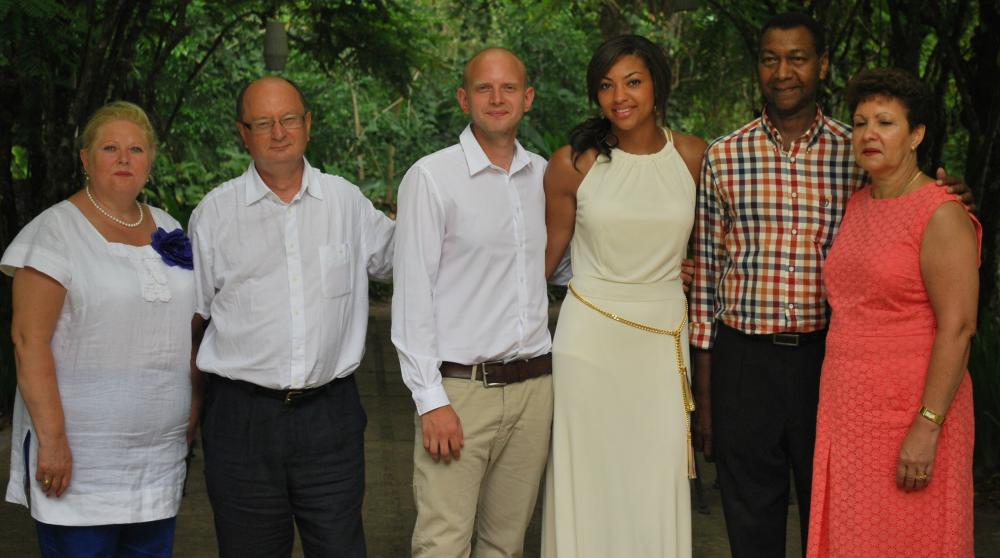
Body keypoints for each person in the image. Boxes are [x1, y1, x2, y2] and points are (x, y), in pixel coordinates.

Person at [690, 12, 973, 557]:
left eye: (797, 58)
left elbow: (913, 209)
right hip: (745, 361)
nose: (783, 71)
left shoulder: (858, 151)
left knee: (839, 514)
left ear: (821, 66)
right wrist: (706, 395)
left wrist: (952, 194)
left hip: (827, 361)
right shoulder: (724, 155)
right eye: (770, 59)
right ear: (759, 68)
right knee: (749, 516)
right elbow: (706, 278)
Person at [189, 76, 394, 558]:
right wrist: (189, 418)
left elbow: (403, 256)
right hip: (240, 421)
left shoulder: (344, 202)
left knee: (342, 549)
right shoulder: (214, 215)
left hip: (330, 419)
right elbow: (193, 322)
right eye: (263, 122)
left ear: (308, 124)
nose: (278, 132)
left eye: (288, 119)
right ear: (243, 133)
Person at [2, 101, 195, 557]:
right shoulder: (54, 232)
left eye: (136, 148)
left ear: (151, 159)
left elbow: (187, 329)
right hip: (81, 459)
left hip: (156, 460)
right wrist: (52, 442)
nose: (124, 159)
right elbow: (28, 342)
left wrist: (194, 409)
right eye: (110, 148)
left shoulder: (168, 226)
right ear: (85, 159)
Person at [542, 35, 707, 557]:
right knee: (588, 476)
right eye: (607, 85)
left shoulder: (694, 156)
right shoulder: (574, 163)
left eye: (633, 81)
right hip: (589, 338)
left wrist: (701, 269)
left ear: (658, 86)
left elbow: (720, 245)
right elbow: (545, 259)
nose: (620, 96)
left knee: (655, 476)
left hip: (661, 340)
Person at [806, 67, 979, 557]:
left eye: (885, 122)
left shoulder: (941, 213)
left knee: (913, 537)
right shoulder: (859, 203)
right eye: (860, 123)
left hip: (913, 410)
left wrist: (927, 426)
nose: (869, 135)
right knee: (856, 538)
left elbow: (959, 327)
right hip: (849, 411)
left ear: (917, 134)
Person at [392, 47, 554, 558]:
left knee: (506, 545)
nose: (497, 98)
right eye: (484, 88)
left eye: (509, 88)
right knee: (444, 542)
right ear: (465, 98)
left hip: (534, 390)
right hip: (462, 391)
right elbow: (412, 295)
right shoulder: (431, 177)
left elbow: (565, 264)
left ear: (527, 98)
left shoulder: (546, 178)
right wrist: (430, 400)